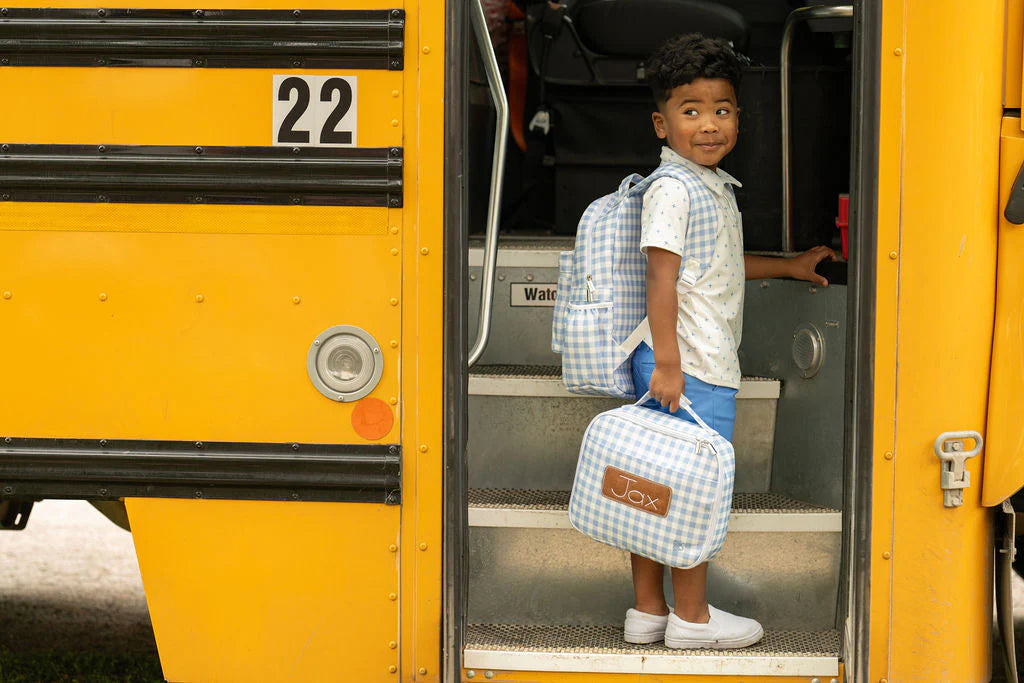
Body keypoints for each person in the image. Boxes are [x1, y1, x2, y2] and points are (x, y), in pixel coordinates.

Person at [624, 33, 836, 649]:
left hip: (690, 360)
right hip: (690, 366)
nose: (709, 124)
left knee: (656, 484)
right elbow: (659, 276)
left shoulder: (708, 184)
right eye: (691, 111)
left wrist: (789, 265)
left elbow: (713, 265)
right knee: (693, 489)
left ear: (740, 118)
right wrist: (668, 363)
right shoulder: (673, 189)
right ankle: (691, 618)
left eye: (722, 109)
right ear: (661, 125)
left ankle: (648, 611)